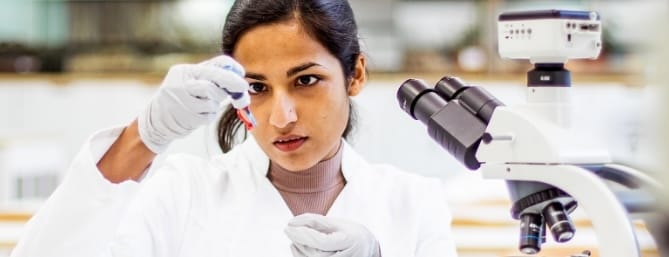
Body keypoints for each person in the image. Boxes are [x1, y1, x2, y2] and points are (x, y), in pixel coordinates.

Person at [11, 0, 458, 256]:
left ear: (355, 74)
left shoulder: (413, 203)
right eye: (257, 87)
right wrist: (143, 137)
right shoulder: (184, 192)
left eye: (306, 81)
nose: (281, 117)